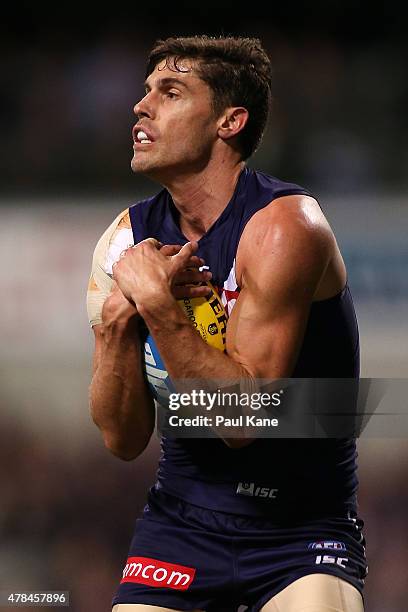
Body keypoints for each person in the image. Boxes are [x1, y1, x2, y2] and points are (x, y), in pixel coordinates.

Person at [87, 36, 367, 612]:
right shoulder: (123, 240)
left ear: (229, 121)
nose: (141, 107)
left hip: (301, 531)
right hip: (181, 523)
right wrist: (117, 323)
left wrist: (159, 307)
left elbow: (244, 421)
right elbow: (121, 439)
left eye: (170, 92)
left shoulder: (287, 227)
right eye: (145, 93)